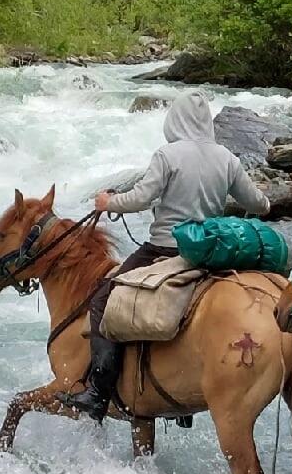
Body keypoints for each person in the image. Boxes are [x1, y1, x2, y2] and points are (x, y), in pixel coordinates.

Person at [62, 91, 270, 421]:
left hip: (165, 248)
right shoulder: (227, 158)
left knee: (104, 299)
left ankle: (98, 393)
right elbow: (260, 204)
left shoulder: (168, 155)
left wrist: (107, 204)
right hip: (211, 253)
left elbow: (143, 198)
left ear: (175, 119)